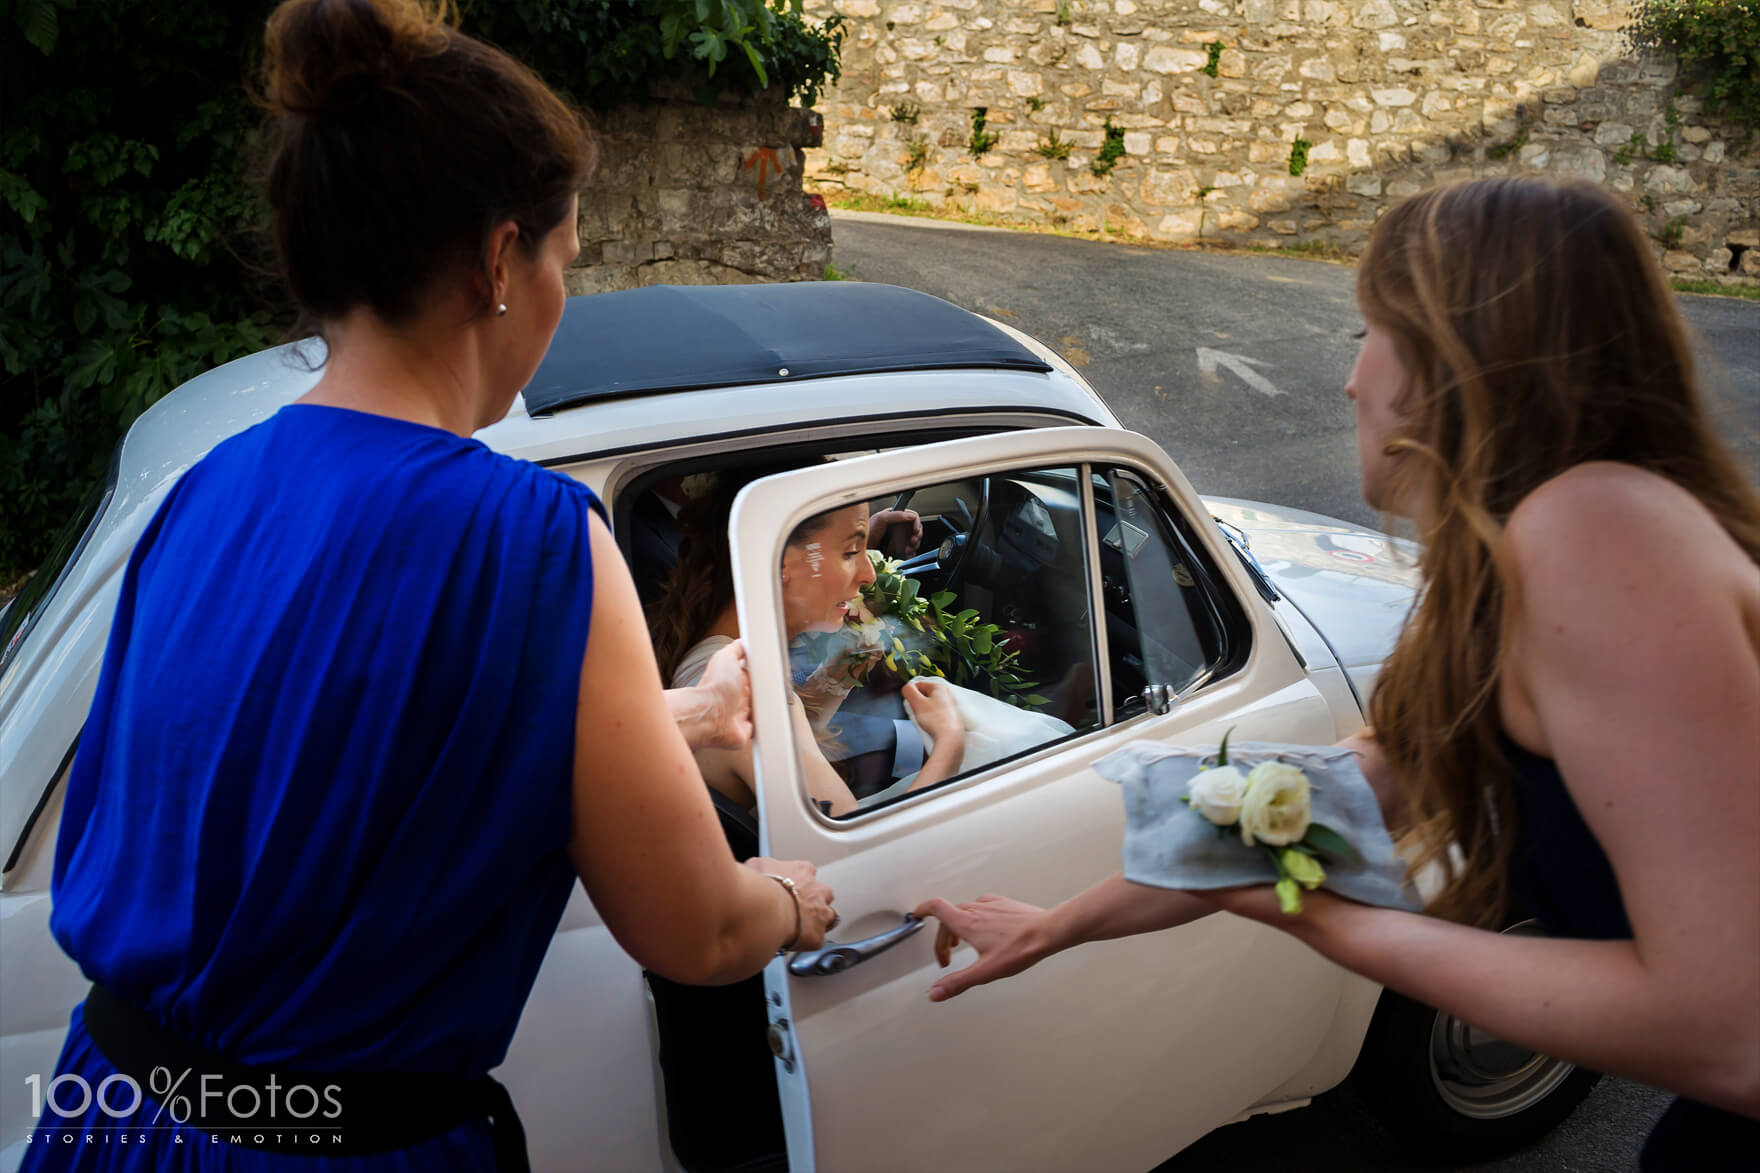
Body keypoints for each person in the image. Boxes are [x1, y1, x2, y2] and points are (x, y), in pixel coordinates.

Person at [24, 2, 833, 1169]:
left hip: (108, 1118)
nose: (563, 294)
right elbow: (696, 928)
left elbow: (312, 753)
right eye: (565, 259)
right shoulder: (530, 538)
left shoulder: (207, 484)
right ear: (501, 261)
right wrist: (791, 904)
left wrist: (672, 720)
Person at [913, 178, 1760, 1168]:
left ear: (1453, 358)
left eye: (1368, 332)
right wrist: (1052, 926)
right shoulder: (1515, 570)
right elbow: (1316, 801)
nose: (1351, 380)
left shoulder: (1594, 532)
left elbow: (1727, 1032)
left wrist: (1327, 924)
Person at [649, 464, 968, 817]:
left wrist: (839, 678)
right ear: (781, 560)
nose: (869, 574)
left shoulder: (725, 643)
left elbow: (794, 732)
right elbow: (857, 850)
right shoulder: (750, 693)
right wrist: (949, 740)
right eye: (850, 551)